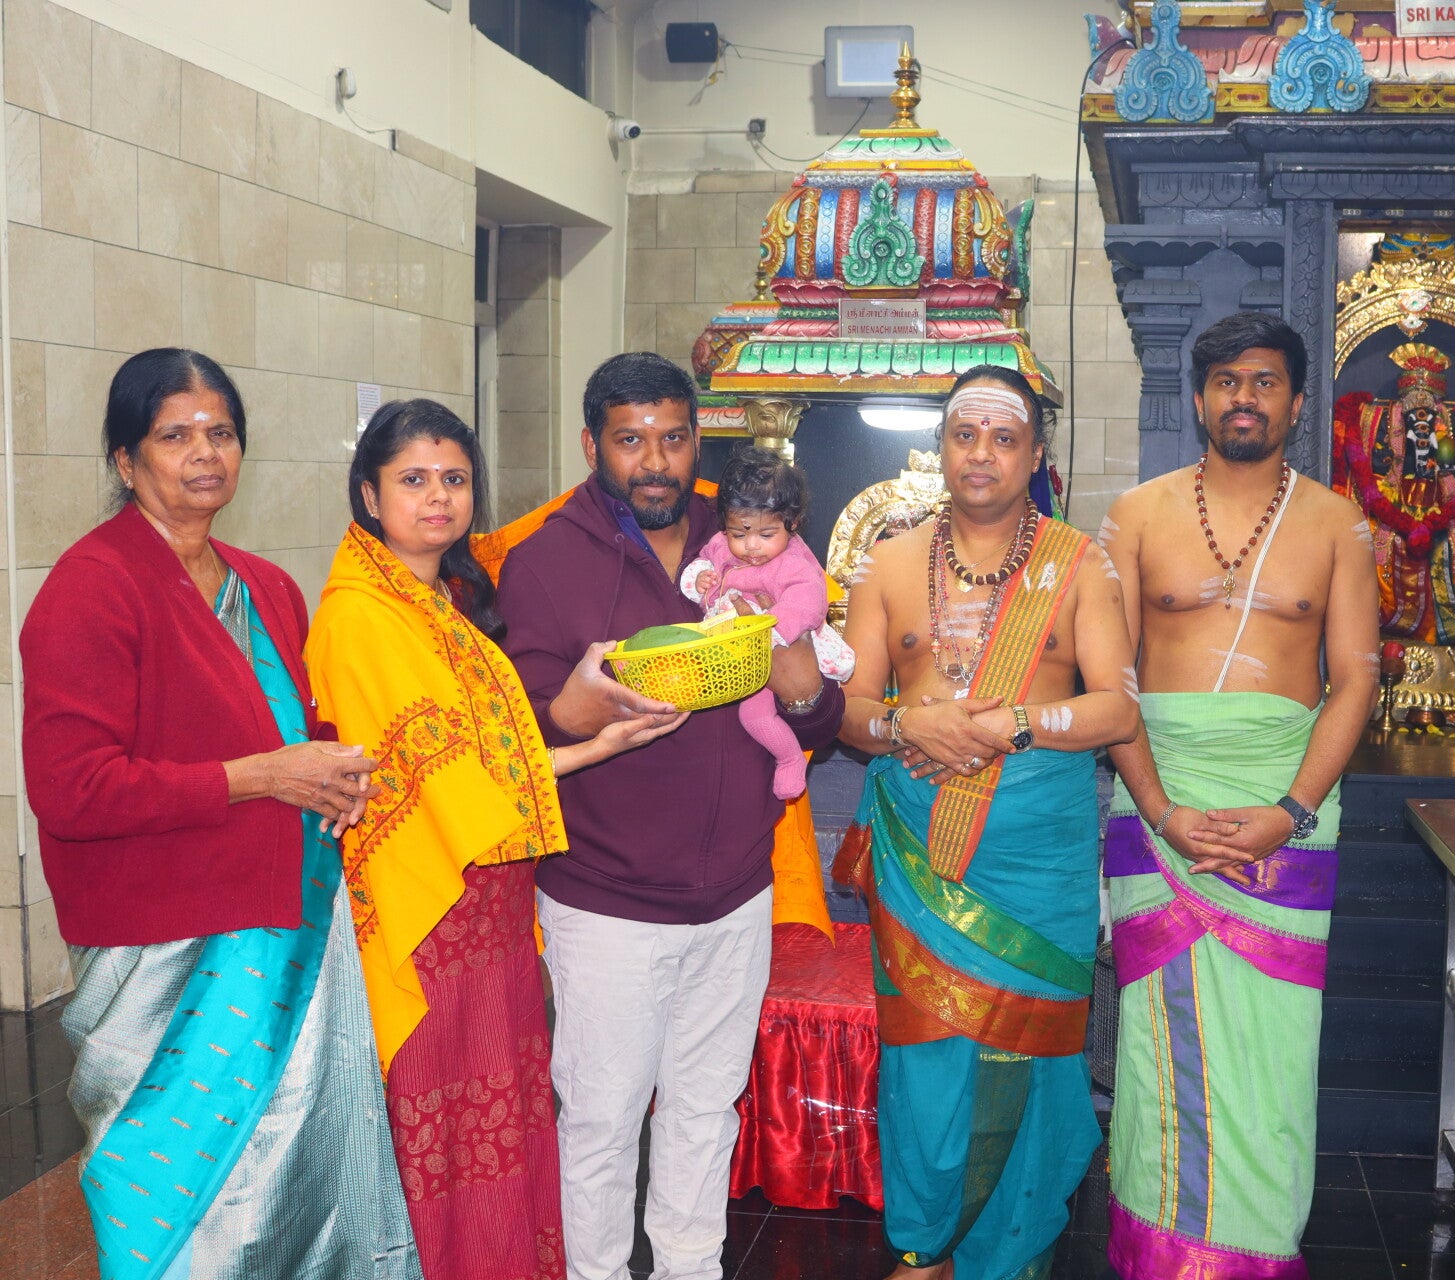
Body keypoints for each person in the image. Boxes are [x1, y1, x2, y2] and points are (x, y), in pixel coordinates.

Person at [21, 348, 420, 1279]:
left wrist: (335, 774)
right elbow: (74, 790)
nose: (205, 453)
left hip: (289, 925)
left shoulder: (264, 586)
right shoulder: (91, 587)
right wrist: (264, 777)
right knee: (176, 1200)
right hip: (164, 950)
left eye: (222, 432)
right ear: (126, 460)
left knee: (301, 1179)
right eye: (175, 435)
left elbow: (296, 732)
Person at [304, 400, 688, 1280]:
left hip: (491, 909)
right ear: (369, 495)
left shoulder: (445, 601)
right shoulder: (362, 614)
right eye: (413, 480)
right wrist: (595, 747)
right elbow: (447, 785)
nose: (437, 497)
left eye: (454, 479)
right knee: (439, 1134)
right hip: (430, 910)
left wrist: (597, 742)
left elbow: (487, 759)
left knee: (502, 1122)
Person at [495, 352, 846, 1280]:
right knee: (602, 1120)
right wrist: (575, 710)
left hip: (735, 893)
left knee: (705, 1110)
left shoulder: (744, 536)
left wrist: (803, 686)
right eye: (630, 440)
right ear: (592, 446)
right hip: (606, 900)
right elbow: (519, 730)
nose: (654, 461)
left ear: (699, 441)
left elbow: (820, 719)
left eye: (674, 438)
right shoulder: (544, 560)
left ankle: (692, 1267)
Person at [835, 364, 1140, 1280]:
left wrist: (1016, 723)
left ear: (1035, 455)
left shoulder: (1080, 565)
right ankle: (924, 1247)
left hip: (1036, 858)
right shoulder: (889, 564)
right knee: (925, 1058)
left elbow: (1117, 709)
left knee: (1033, 1059)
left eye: (1004, 438)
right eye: (965, 435)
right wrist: (906, 725)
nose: (982, 454)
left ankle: (1008, 1255)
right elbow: (849, 711)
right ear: (941, 447)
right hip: (921, 854)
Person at [1100, 312, 1379, 1279]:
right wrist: (1161, 810)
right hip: (1158, 805)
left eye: (1264, 382)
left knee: (1269, 1055)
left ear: (1296, 403)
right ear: (1199, 399)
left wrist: (1289, 813)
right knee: (1160, 1053)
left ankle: (1256, 1254)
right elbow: (1112, 682)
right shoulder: (1137, 516)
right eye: (1226, 382)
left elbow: (1357, 680)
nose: (1244, 398)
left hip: (1286, 814)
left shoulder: (1338, 525)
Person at [680, 449, 855, 799]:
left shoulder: (794, 563)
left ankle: (789, 759)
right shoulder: (720, 545)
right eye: (739, 534)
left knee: (754, 717)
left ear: (792, 523)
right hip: (730, 650)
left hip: (773, 650)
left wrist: (771, 634)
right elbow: (704, 563)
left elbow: (807, 604)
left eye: (766, 534)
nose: (751, 547)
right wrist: (698, 579)